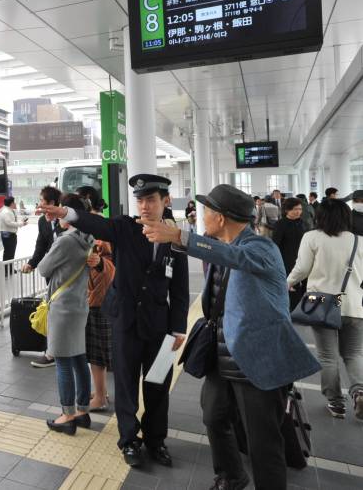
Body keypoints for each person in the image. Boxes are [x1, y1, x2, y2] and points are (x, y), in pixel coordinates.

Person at [140, 184, 320, 490]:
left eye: (206, 212)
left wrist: (180, 237)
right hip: (220, 357)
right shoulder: (221, 246)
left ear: (221, 218)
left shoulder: (261, 248)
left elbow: (234, 256)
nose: (202, 218)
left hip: (256, 361)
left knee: (262, 441)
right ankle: (231, 476)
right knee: (213, 417)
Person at [40, 174, 189, 468]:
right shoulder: (124, 228)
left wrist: (178, 328)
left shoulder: (176, 237)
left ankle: (156, 440)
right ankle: (129, 440)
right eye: (140, 200)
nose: (144, 206)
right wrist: (67, 213)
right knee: (126, 383)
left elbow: (180, 288)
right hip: (125, 322)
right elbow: (98, 224)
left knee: (158, 385)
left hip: (160, 327)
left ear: (165, 201)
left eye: (151, 200)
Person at [287, 199, 363, 421]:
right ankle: (359, 391)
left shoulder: (312, 238)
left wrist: (287, 282)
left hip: (323, 305)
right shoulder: (359, 241)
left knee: (328, 356)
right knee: (353, 354)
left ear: (319, 216)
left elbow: (301, 268)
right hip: (354, 306)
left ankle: (336, 403)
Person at [37, 194, 94, 434]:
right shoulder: (87, 236)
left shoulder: (65, 241)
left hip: (62, 308)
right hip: (80, 304)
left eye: (61, 209)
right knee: (80, 358)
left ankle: (67, 414)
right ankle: (82, 411)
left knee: (61, 361)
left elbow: (43, 268)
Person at [80, 194, 116, 412]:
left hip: (98, 299)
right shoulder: (103, 226)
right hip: (100, 296)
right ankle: (102, 391)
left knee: (98, 353)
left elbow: (107, 262)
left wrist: (99, 261)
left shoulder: (95, 231)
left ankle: (101, 396)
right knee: (98, 353)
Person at [22, 185, 64, 368]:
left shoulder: (67, 221)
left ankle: (58, 352)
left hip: (68, 275)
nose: (39, 205)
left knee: (63, 313)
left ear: (53, 204)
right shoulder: (43, 222)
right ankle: (52, 353)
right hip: (51, 274)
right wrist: (32, 263)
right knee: (53, 311)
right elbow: (41, 245)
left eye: (42, 201)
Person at [273, 197, 308, 311]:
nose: (298, 211)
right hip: (287, 262)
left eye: (300, 209)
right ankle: (291, 315)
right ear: (287, 210)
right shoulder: (280, 224)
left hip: (304, 261)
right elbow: (275, 245)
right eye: (295, 209)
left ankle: (304, 312)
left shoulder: (303, 223)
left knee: (306, 289)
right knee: (292, 291)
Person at [0, 196, 27, 269]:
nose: (15, 203)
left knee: (10, 253)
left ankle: (9, 269)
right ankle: (7, 270)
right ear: (11, 203)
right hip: (8, 235)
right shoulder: (6, 212)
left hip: (10, 234)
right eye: (14, 202)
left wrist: (21, 222)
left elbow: (12, 222)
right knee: (9, 253)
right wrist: (21, 224)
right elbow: (9, 223)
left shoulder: (10, 210)